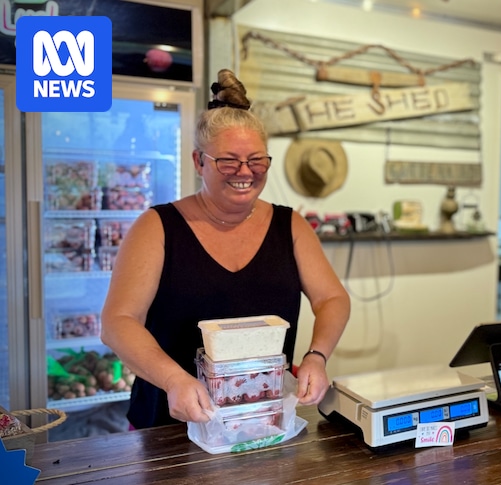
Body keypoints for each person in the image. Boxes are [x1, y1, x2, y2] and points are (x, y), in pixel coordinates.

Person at [101, 69, 350, 429]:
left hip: (263, 422)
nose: (244, 171)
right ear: (198, 161)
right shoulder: (157, 227)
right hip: (169, 424)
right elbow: (117, 322)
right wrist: (173, 379)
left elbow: (332, 299)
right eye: (228, 160)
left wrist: (317, 355)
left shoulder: (291, 225)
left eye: (257, 160)